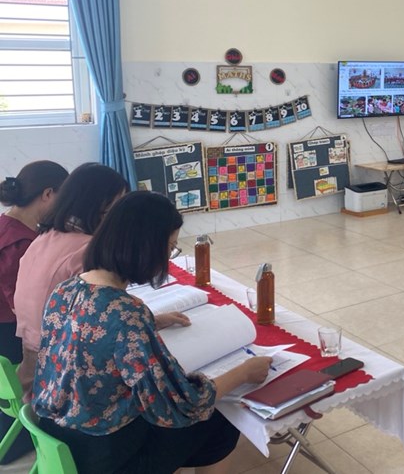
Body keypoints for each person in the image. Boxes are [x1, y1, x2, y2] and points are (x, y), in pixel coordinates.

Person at [31, 191, 271, 474]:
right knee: (218, 419)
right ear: (145, 247)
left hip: (56, 433)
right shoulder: (126, 313)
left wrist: (151, 322)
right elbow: (182, 404)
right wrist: (244, 373)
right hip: (103, 457)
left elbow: (88, 333)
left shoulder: (66, 289)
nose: (168, 257)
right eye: (169, 247)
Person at [14, 162, 129, 390]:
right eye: (117, 208)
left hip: (29, 363)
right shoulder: (87, 250)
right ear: (98, 206)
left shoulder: (44, 237)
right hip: (57, 377)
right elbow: (109, 323)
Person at [0, 160, 68, 465]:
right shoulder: (21, 242)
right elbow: (25, 305)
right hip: (11, 333)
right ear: (48, 194)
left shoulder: (8, 225)